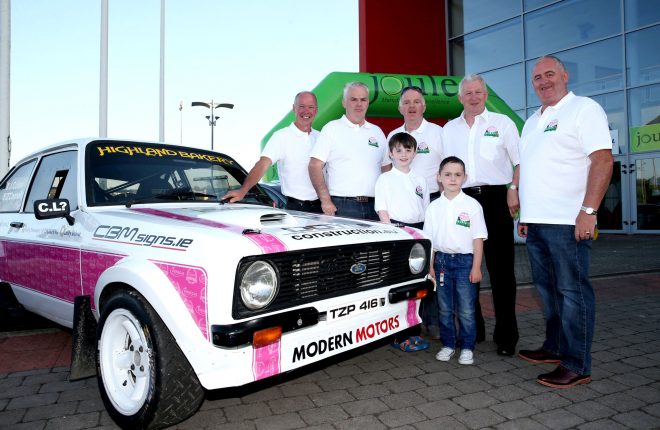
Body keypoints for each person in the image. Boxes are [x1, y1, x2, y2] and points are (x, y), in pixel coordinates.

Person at [517, 55, 613, 388]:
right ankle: (555, 347)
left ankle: (577, 364)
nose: (543, 81)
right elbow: (530, 166)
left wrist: (588, 212)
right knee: (548, 290)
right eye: (536, 78)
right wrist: (525, 212)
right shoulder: (532, 120)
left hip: (567, 222)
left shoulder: (584, 109)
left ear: (565, 76)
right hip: (537, 222)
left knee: (573, 292)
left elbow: (602, 159)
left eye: (549, 74)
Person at [442, 74, 521, 356]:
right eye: (468, 93)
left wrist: (513, 188)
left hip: (496, 200)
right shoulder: (449, 129)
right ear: (460, 97)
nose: (473, 97)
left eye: (478, 92)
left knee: (501, 272)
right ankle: (472, 332)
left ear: (485, 95)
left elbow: (520, 161)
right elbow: (442, 169)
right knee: (466, 270)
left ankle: (507, 336)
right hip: (462, 201)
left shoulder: (503, 124)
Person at [424, 156, 487, 365]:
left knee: (467, 308)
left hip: (465, 263)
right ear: (439, 177)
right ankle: (448, 344)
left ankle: (467, 347)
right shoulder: (434, 207)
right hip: (441, 262)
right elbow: (429, 240)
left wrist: (476, 266)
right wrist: (431, 266)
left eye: (458, 175)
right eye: (448, 174)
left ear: (465, 178)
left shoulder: (472, 205)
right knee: (444, 307)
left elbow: (478, 238)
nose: (453, 179)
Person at [224, 91, 321, 213]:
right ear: (294, 108)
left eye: (311, 107)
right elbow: (262, 164)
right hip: (298, 209)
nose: (306, 111)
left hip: (324, 207)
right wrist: (243, 190)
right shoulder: (281, 137)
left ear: (316, 110)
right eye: (301, 106)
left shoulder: (321, 137)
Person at [309, 82, 390, 221]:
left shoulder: (377, 132)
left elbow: (386, 168)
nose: (359, 104)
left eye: (363, 99)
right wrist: (325, 200)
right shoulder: (331, 129)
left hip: (376, 207)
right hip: (342, 206)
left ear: (368, 103)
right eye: (353, 99)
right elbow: (314, 166)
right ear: (344, 103)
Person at [387, 86, 444, 200]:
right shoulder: (392, 135)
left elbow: (447, 167)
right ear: (400, 109)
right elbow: (387, 168)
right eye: (406, 102)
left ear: (424, 107)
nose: (412, 106)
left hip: (432, 199)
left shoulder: (439, 132)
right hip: (400, 200)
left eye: (416, 102)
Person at [374, 132, 429, 229]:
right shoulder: (384, 179)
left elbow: (426, 208)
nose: (404, 155)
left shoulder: (421, 180)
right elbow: (381, 209)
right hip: (395, 227)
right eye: (399, 151)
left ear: (414, 153)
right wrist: (389, 228)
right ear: (391, 154)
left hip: (419, 227)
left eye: (408, 150)